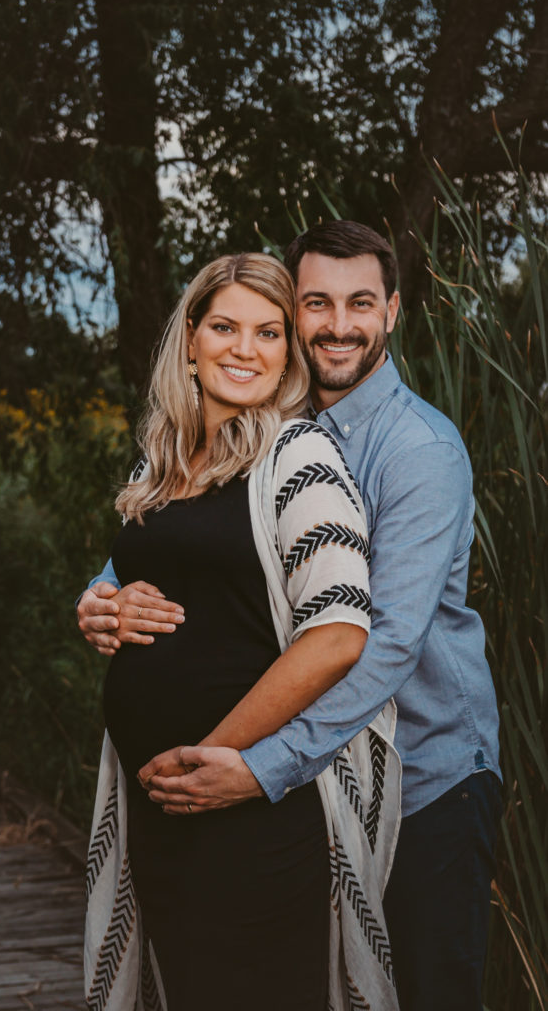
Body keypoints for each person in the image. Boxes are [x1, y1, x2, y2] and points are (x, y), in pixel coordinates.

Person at [79, 222, 502, 1011]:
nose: (337, 325)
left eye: (360, 304)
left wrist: (252, 766)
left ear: (393, 312)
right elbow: (174, 537)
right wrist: (100, 597)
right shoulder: (251, 426)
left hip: (423, 774)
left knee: (423, 989)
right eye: (315, 303)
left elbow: (378, 645)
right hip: (301, 783)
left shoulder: (414, 451)